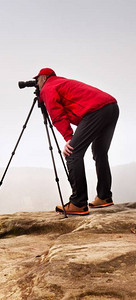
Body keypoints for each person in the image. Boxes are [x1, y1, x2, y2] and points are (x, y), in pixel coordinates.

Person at [34, 68, 119, 215]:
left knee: (72, 154)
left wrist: (68, 138)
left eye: (37, 80)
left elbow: (57, 114)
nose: (37, 83)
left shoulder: (49, 87)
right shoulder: (62, 82)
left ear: (42, 78)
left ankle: (78, 203)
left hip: (95, 111)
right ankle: (104, 196)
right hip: (111, 106)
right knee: (100, 151)